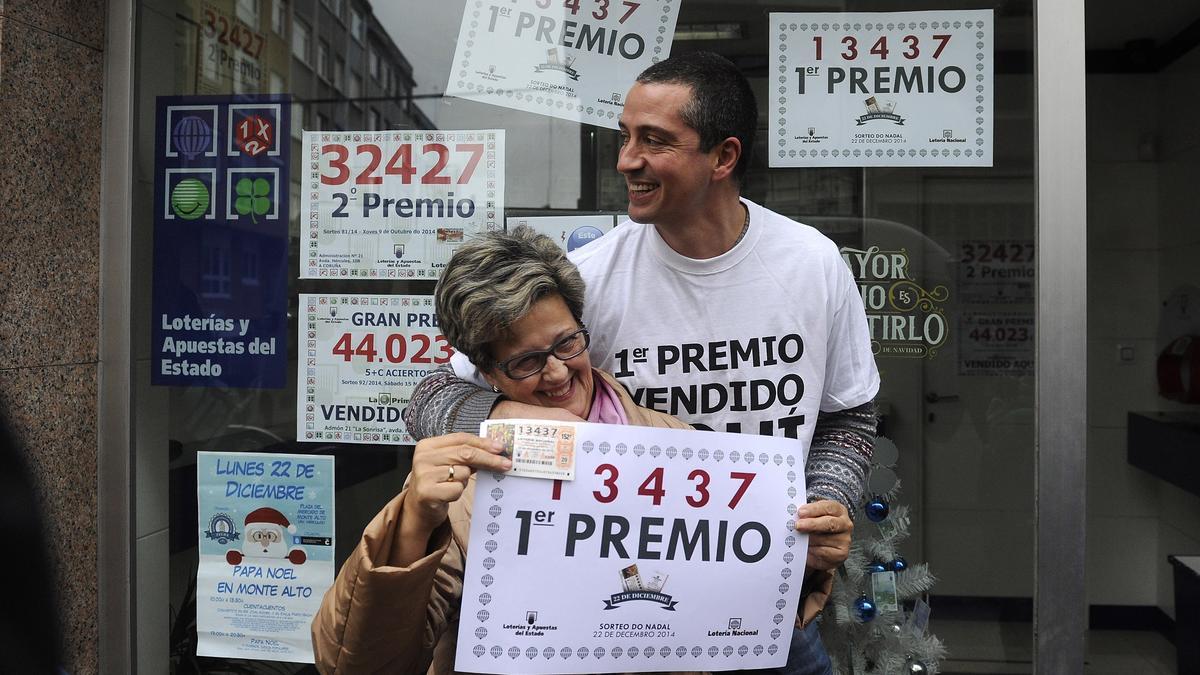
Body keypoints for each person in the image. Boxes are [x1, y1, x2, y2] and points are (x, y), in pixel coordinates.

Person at [403, 51, 880, 674]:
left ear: (724, 157)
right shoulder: (592, 277)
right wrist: (517, 418)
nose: (627, 159)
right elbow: (431, 396)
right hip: (621, 616)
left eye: (654, 141)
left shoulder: (812, 265)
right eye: (625, 137)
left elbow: (851, 415)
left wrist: (825, 502)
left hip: (768, 606)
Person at [311, 227, 690, 674]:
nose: (556, 373)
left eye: (567, 343)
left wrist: (791, 567)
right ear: (488, 373)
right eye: (526, 362)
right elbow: (356, 663)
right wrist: (413, 524)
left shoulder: (679, 447)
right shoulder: (465, 475)